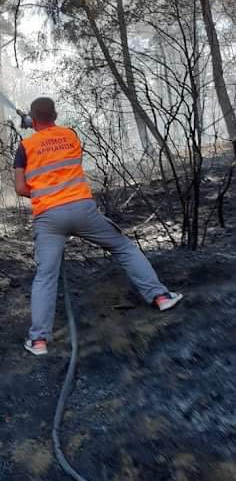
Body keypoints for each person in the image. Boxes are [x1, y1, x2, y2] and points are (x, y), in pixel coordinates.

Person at [14, 97, 183, 357]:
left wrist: (33, 131)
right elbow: (60, 156)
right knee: (123, 246)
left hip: (48, 218)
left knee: (45, 276)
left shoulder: (25, 146)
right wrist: (39, 126)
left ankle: (38, 342)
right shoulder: (70, 136)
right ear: (56, 114)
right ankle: (160, 297)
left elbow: (21, 188)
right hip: (83, 210)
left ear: (32, 119)